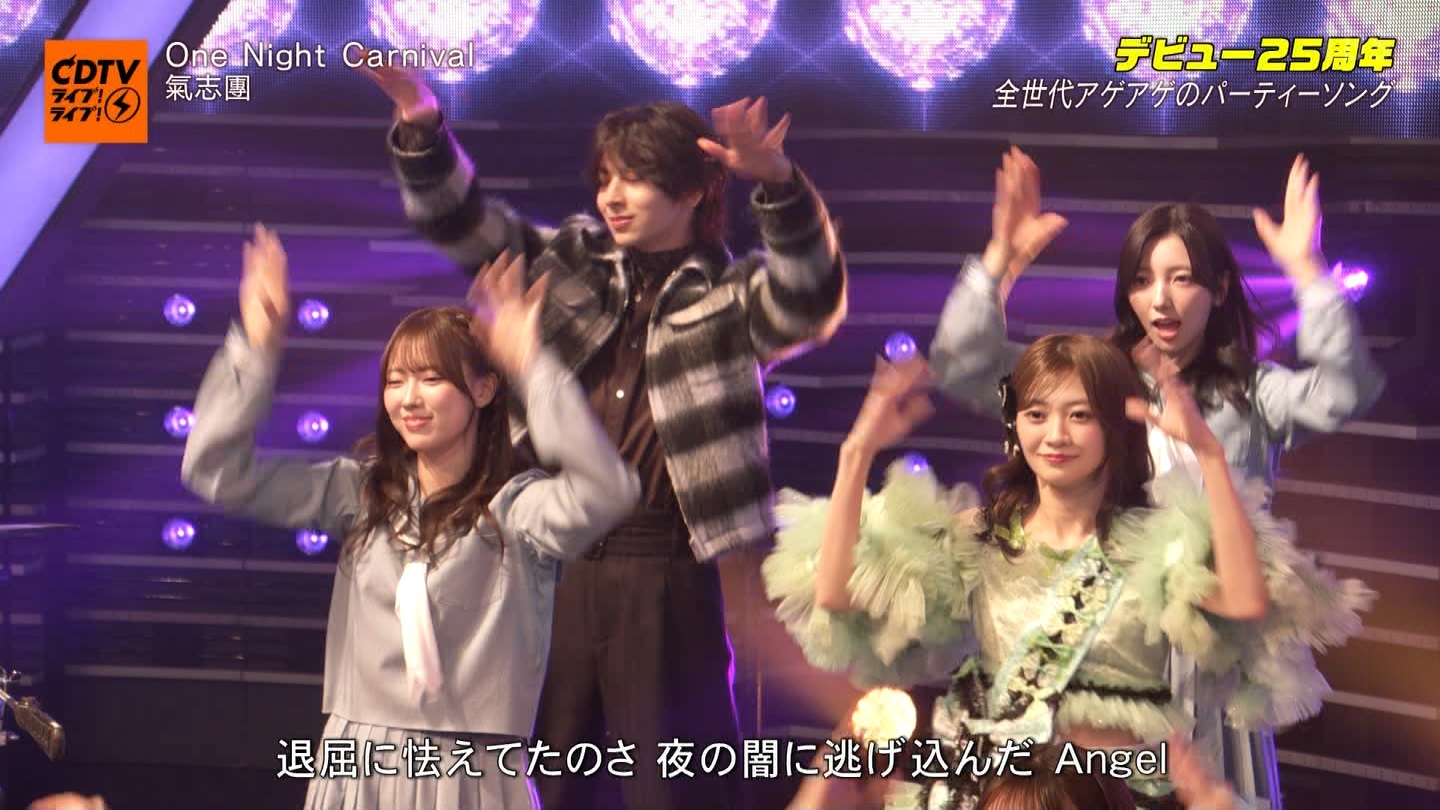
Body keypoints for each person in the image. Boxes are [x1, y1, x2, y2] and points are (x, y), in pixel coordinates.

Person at [358, 63, 846, 809]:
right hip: (550, 556)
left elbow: (811, 298)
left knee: (673, 783)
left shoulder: (731, 295)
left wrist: (779, 182)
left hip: (665, 566)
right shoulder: (570, 262)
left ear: (692, 191)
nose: (612, 196)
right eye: (605, 178)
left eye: (635, 179)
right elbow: (465, 225)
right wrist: (421, 126)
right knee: (539, 777)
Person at [926, 149, 1386, 804]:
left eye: (1182, 279)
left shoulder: (1253, 394)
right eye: (1143, 280)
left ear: (1219, 289)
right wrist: (1001, 259)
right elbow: (963, 366)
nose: (1160, 299)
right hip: (1105, 638)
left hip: (1213, 646)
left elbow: (1345, 390)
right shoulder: (1099, 380)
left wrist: (1307, 270)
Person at [763, 334, 1372, 809]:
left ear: (1114, 426)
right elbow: (837, 594)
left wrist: (1209, 454)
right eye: (1036, 413)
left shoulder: (1158, 541)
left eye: (1079, 415)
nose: (1055, 435)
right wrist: (856, 454)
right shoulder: (982, 537)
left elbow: (1244, 604)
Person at [180, 227, 640, 809]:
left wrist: (532, 365)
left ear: (483, 390)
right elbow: (216, 471)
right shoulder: (361, 494)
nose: (409, 398)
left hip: (470, 772)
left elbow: (608, 491)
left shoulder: (519, 511)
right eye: (395, 381)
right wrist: (255, 344)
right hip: (359, 763)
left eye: (430, 378)